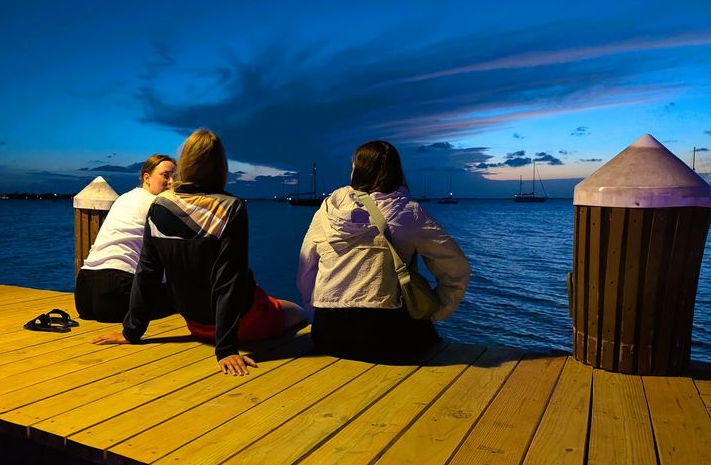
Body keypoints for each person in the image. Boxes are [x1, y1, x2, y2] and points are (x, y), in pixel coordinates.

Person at [92, 128, 308, 376]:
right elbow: (229, 280)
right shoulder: (230, 207)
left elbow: (147, 273)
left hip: (196, 323)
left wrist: (131, 331)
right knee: (299, 313)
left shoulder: (160, 205)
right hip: (242, 322)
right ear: (219, 166)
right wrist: (226, 349)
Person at [297, 140, 469, 364]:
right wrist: (438, 311)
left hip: (327, 334)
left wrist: (317, 309)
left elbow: (306, 270)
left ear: (357, 171)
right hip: (386, 338)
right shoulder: (408, 212)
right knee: (425, 335)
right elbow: (456, 268)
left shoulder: (327, 211)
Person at [74, 153, 177, 322]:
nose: (172, 182)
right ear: (147, 177)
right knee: (182, 299)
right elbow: (169, 256)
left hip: (84, 292)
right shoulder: (158, 204)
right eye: (166, 175)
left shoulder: (124, 199)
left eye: (175, 177)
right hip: (118, 291)